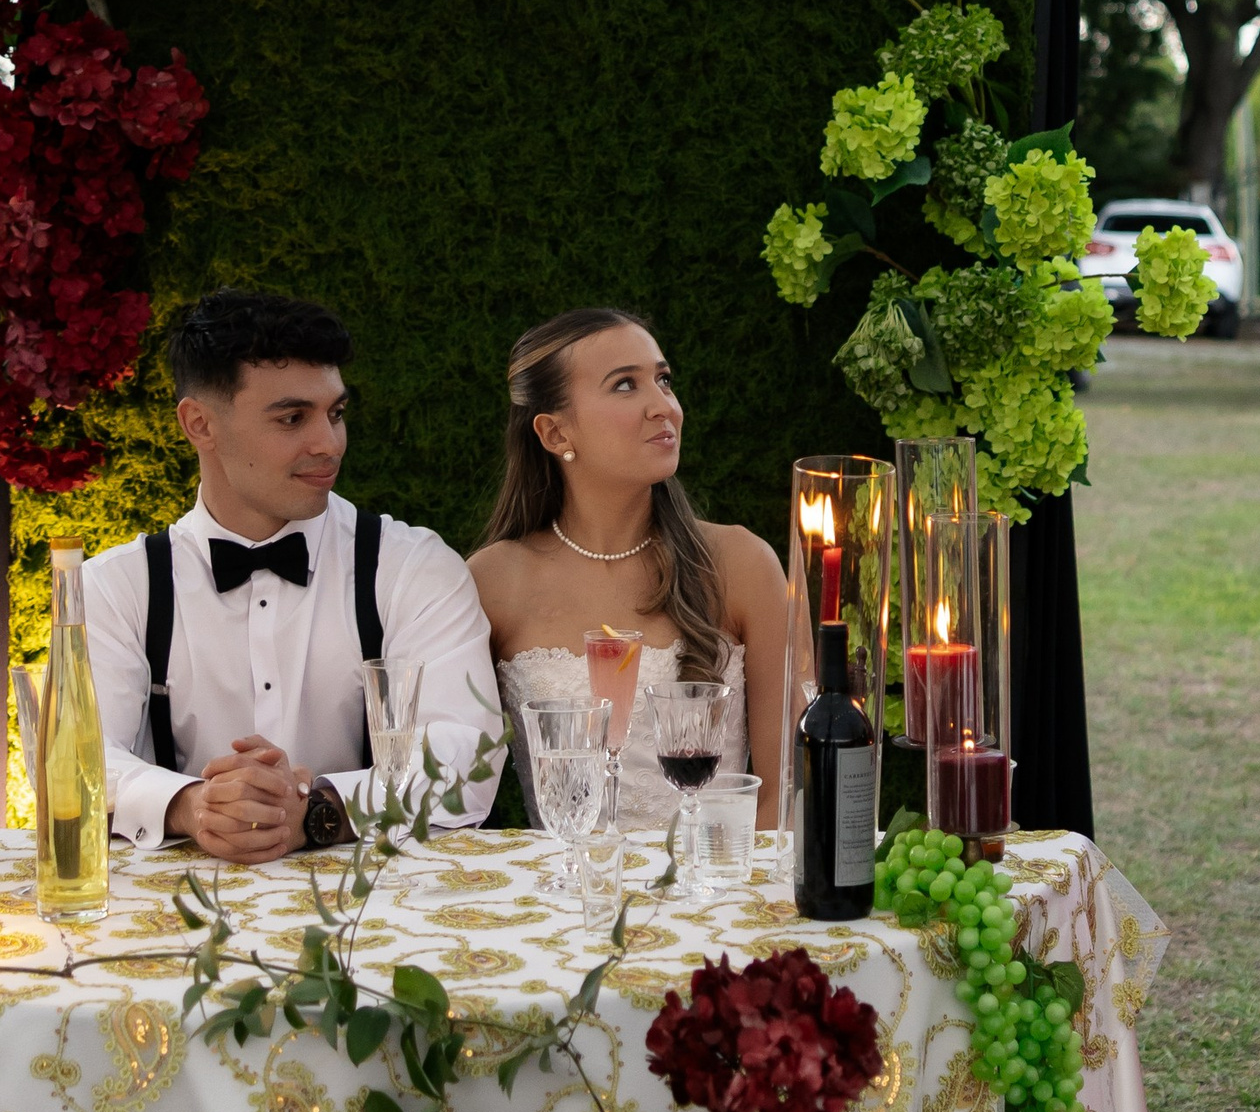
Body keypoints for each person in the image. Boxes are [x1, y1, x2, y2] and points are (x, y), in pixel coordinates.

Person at [83, 288, 503, 860]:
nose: (329, 444)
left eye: (335, 413)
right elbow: (75, 756)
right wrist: (191, 805)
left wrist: (318, 810)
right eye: (292, 418)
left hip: (377, 913)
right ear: (200, 424)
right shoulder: (116, 587)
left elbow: (465, 752)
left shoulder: (414, 567)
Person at [469, 309, 791, 832]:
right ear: (554, 433)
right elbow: (450, 777)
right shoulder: (493, 582)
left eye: (663, 380)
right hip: (566, 896)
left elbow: (788, 786)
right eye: (625, 385)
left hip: (716, 897)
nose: (663, 406)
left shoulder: (740, 564)